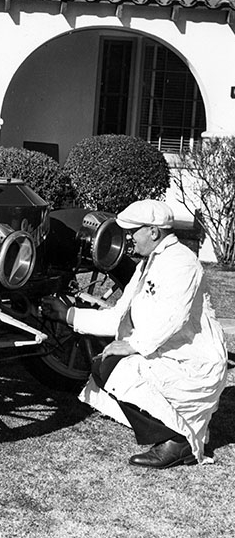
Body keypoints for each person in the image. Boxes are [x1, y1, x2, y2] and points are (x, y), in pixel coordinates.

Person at [42, 199, 228, 468]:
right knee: (103, 365)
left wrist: (132, 346)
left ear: (154, 232)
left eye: (134, 231)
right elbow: (120, 315)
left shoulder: (181, 264)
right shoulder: (148, 264)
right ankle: (174, 433)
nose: (129, 238)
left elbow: (172, 318)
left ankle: (178, 442)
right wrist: (67, 314)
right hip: (166, 352)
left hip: (192, 361)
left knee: (110, 366)